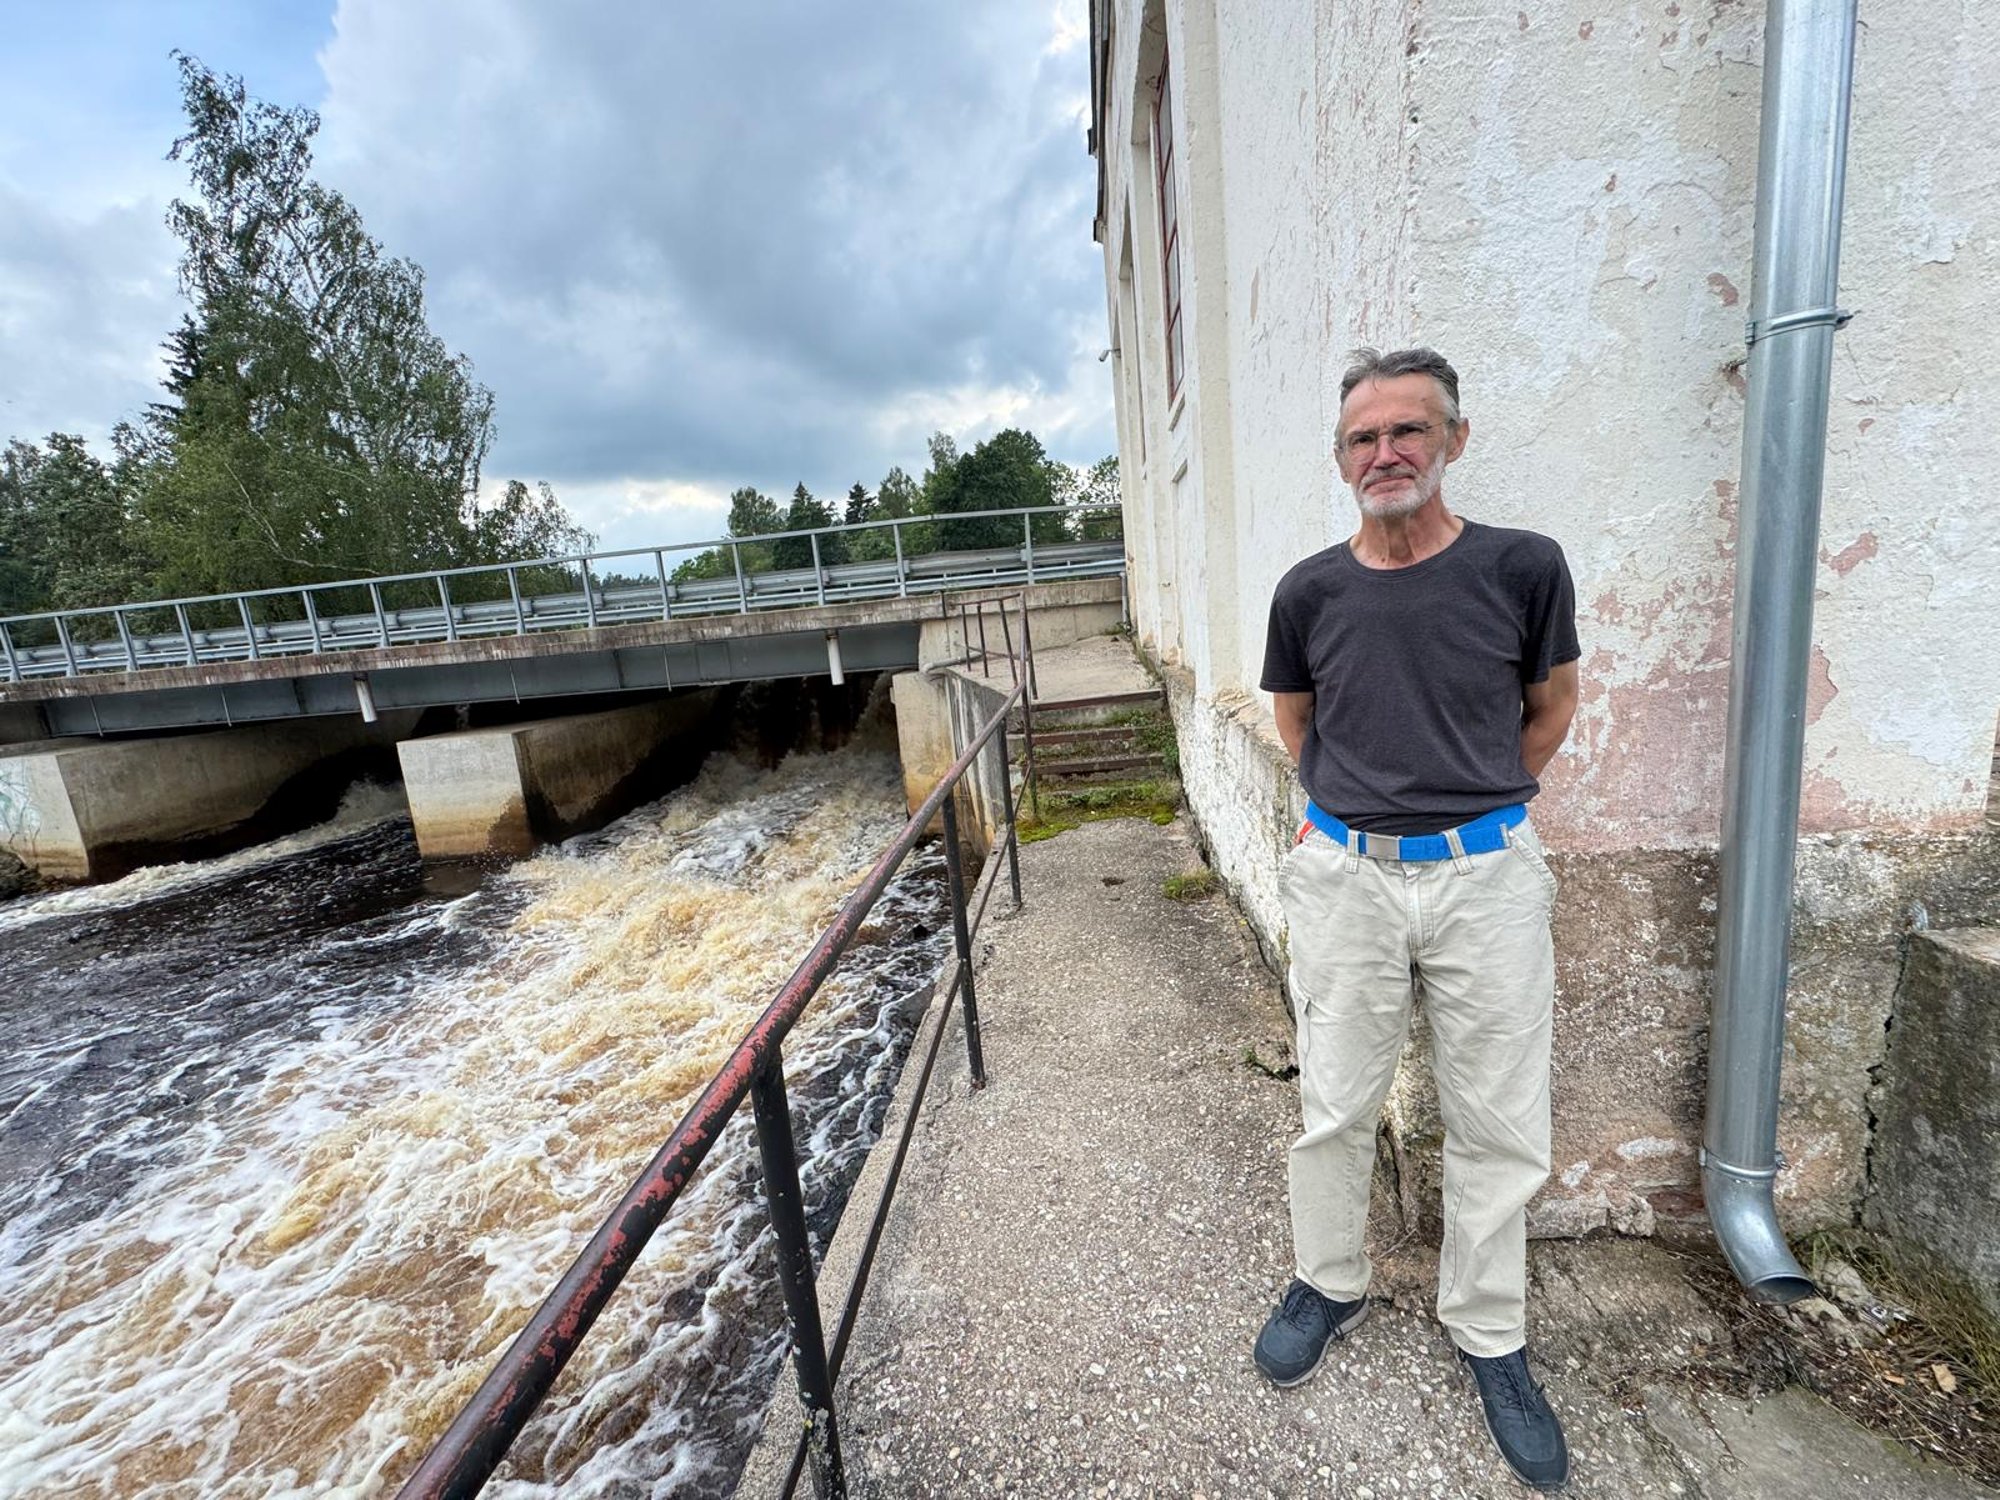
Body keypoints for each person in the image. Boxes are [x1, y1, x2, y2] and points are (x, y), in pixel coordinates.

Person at [1254, 347, 1582, 1491]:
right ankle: (1327, 1281)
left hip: (1486, 877)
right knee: (1334, 1102)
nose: (1383, 454)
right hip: (1345, 877)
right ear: (1339, 457)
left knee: (1498, 1118)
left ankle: (1488, 1333)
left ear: (1451, 441)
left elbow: (1548, 712)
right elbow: (1299, 727)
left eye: (1407, 432)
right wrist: (1355, 828)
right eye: (1362, 438)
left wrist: (1468, 814)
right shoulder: (1307, 592)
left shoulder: (1522, 568)